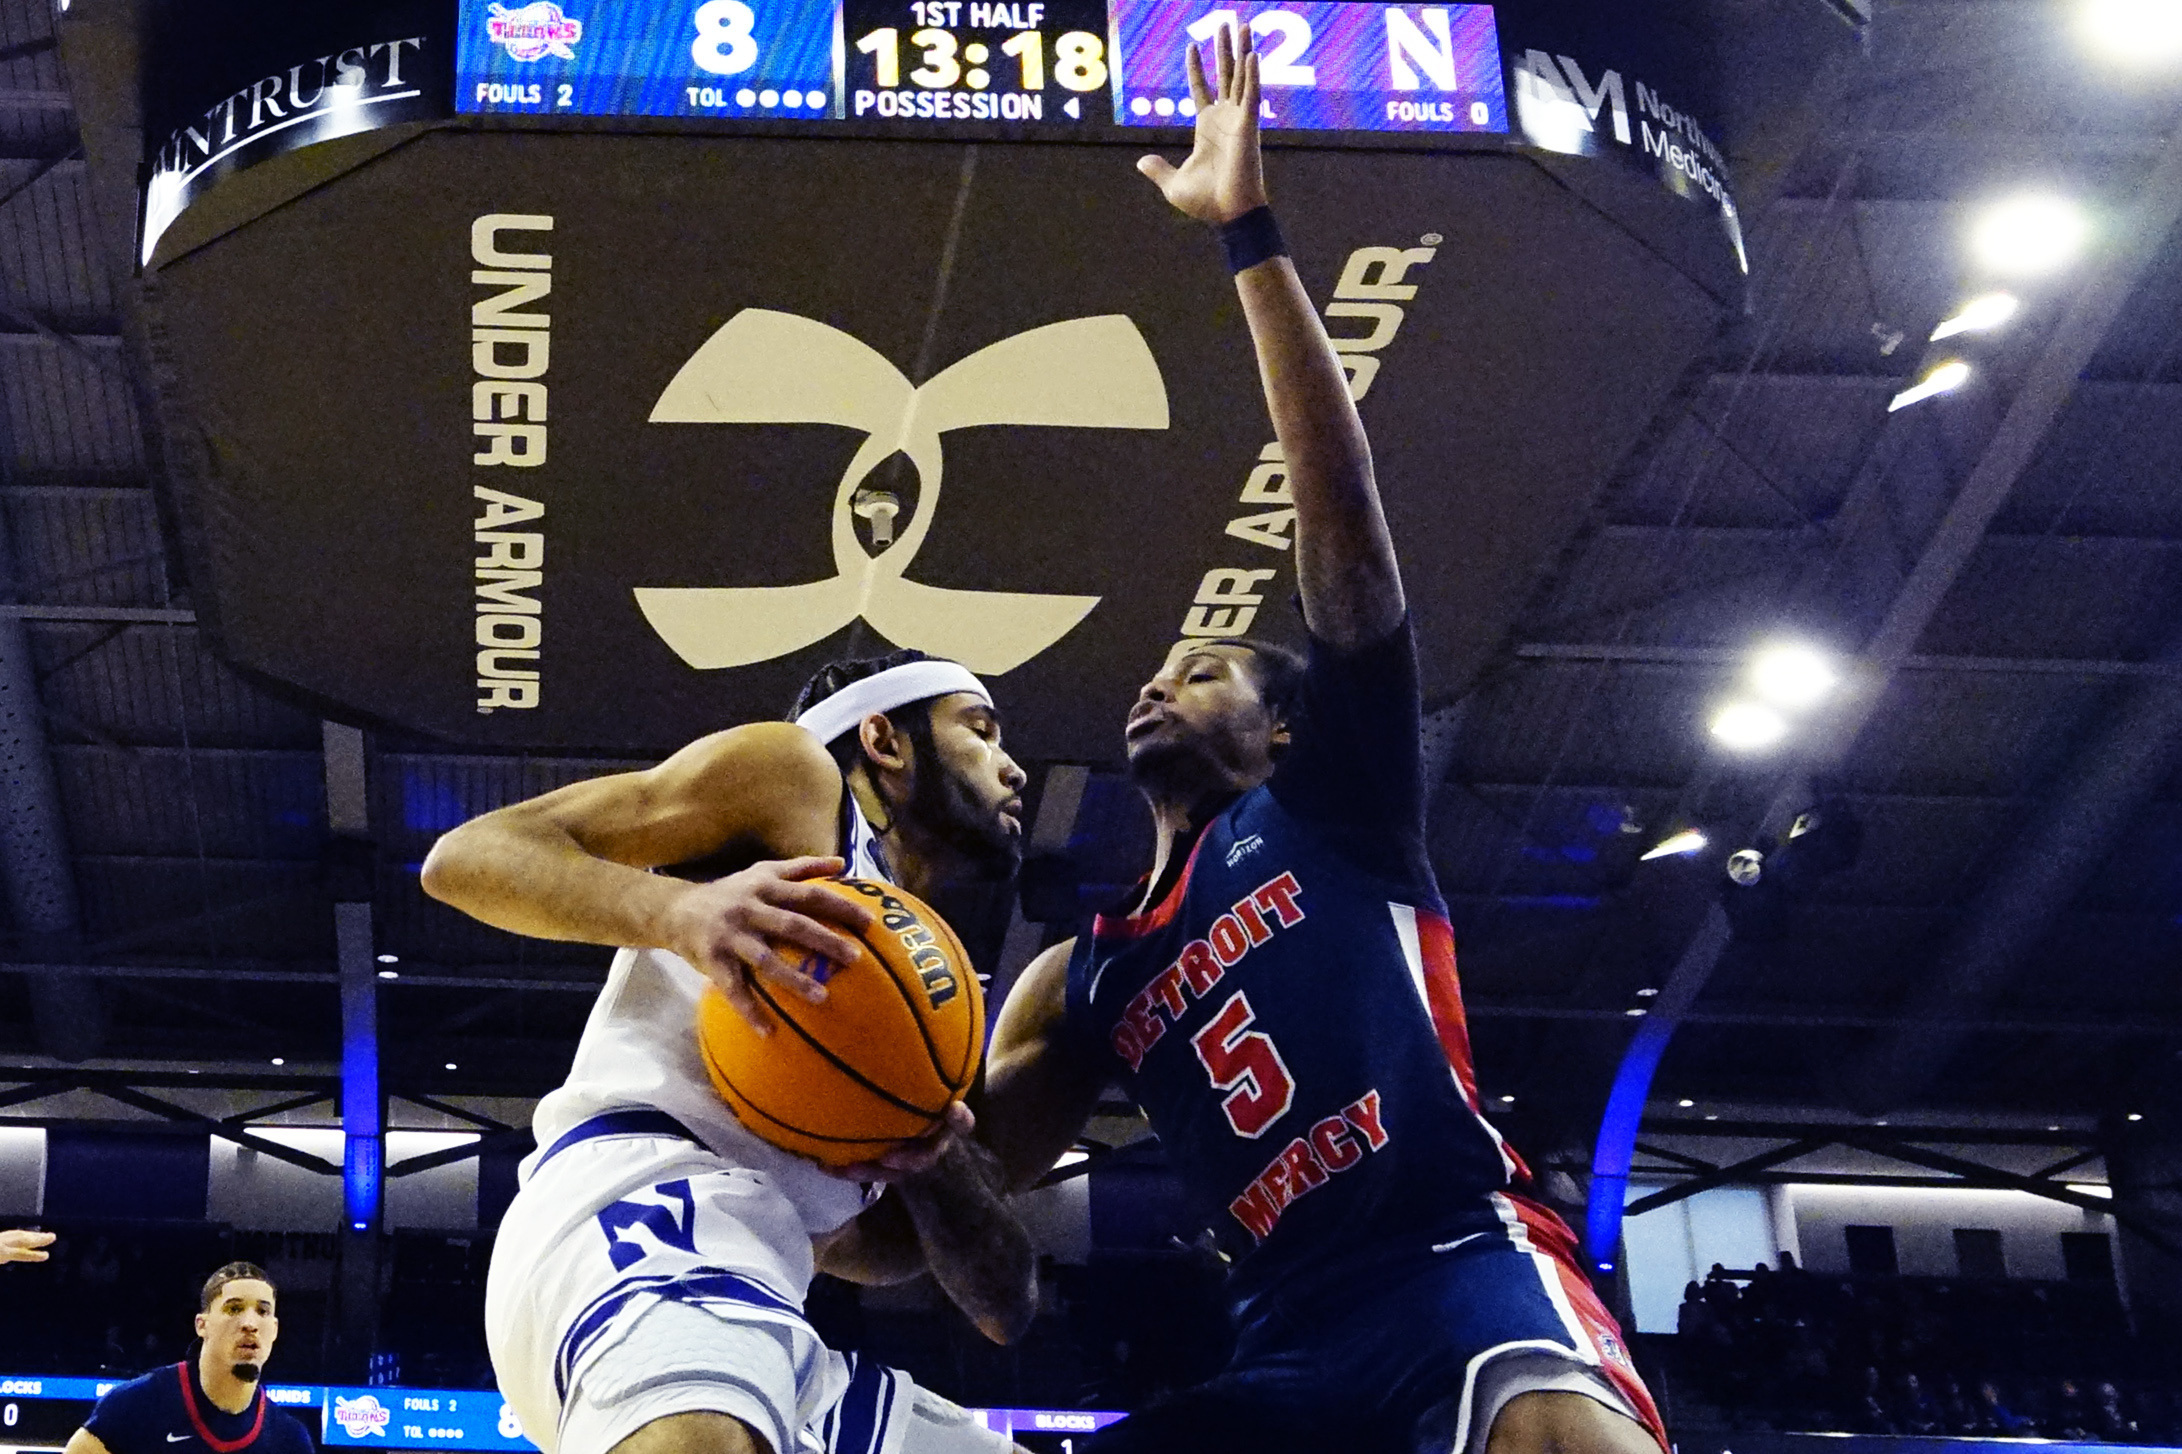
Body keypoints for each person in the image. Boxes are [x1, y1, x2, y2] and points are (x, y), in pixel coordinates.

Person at [969, 25, 1671, 1454]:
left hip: (1457, 1262)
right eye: (1161, 671)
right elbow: (959, 1197)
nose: (1161, 684)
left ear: (1283, 724)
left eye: (1209, 666)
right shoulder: (1084, 970)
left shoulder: (1332, 804)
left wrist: (1247, 232)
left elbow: (1340, 512)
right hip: (1286, 1337)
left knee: (1549, 1431)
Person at [421, 649, 1038, 1454]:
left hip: (761, 1285)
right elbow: (465, 858)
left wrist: (927, 1160)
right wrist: (677, 909)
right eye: (980, 731)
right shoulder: (793, 777)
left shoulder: (923, 991)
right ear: (884, 739)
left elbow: (965, 1294)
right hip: (641, 1208)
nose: (1014, 768)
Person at [62, 1262, 310, 1454]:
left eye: (263, 1311)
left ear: (275, 1329)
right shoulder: (136, 1406)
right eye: (233, 1309)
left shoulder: (289, 1439)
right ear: (202, 1325)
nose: (250, 1324)